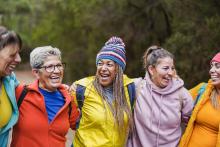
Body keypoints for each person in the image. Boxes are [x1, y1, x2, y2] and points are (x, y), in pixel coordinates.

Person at [70, 36, 135, 147]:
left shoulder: (129, 88)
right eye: (100, 63)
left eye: (109, 64)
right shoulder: (82, 88)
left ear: (118, 70)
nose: (103, 68)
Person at [11, 46, 80, 147]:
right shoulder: (20, 93)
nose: (56, 71)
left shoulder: (69, 99)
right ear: (36, 73)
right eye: (50, 67)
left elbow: (83, 128)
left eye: (59, 65)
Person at [128, 45, 194, 147]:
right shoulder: (137, 88)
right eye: (166, 68)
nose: (171, 72)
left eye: (172, 68)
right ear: (151, 69)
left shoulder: (182, 94)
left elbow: (192, 124)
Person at [179, 52, 220, 147]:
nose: (211, 70)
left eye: (217, 66)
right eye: (211, 66)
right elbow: (173, 100)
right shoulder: (202, 90)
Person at [0, 26, 22, 147]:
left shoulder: (9, 80)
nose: (18, 59)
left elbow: (31, 92)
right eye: (12, 54)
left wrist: (61, 89)